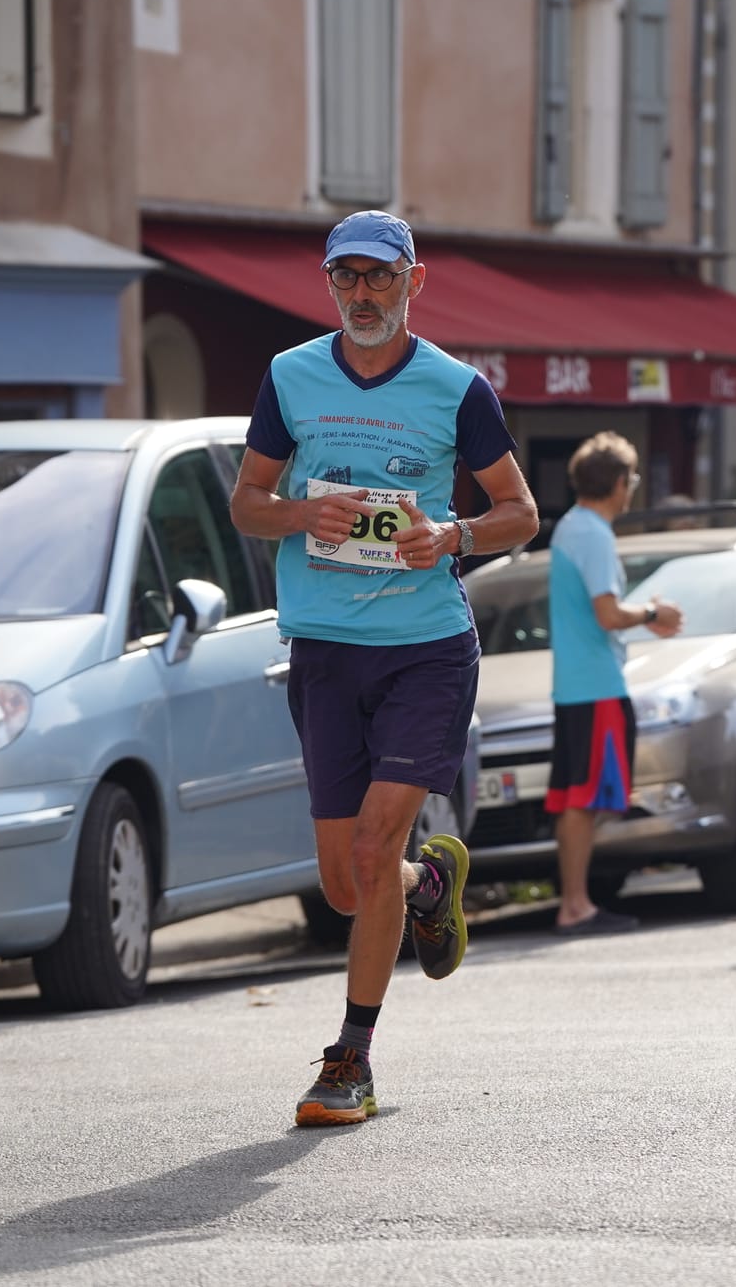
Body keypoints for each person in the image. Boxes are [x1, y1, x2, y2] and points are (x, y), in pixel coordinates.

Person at [231, 211, 539, 1126]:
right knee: (345, 882)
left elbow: (520, 511)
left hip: (426, 650)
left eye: (379, 276)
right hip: (324, 648)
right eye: (346, 277)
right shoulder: (290, 375)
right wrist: (297, 516)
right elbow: (248, 499)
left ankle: (350, 1060)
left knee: (371, 851)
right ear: (329, 283)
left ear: (414, 281)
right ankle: (428, 883)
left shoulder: (457, 387)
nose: (362, 293)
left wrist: (456, 534)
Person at [547, 432, 684, 936]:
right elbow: (607, 613)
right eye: (634, 479)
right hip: (595, 684)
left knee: (579, 797)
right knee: (585, 799)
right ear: (621, 482)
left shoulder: (572, 527)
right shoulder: (593, 534)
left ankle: (575, 901)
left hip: (577, 684)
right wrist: (653, 612)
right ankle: (576, 905)